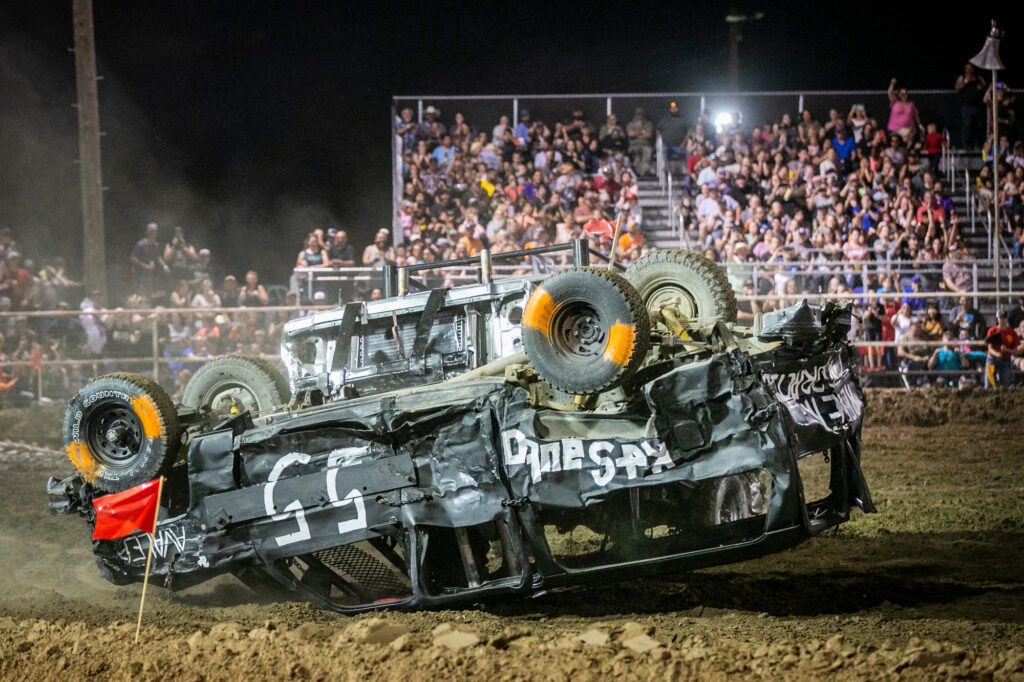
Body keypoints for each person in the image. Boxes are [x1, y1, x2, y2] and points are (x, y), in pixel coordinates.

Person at [130, 223, 169, 297]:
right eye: (152, 231)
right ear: (148, 232)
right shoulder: (140, 244)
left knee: (150, 293)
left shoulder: (155, 245)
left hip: (150, 274)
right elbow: (133, 257)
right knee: (140, 293)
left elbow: (157, 256)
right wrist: (145, 265)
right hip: (140, 274)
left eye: (155, 232)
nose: (154, 233)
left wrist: (164, 266)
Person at [984, 310, 1021, 388]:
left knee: (1005, 384)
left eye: (1004, 318)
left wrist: (1007, 350)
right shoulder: (992, 331)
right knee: (989, 383)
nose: (1002, 320)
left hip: (1005, 359)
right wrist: (996, 353)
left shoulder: (1012, 333)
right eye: (1001, 318)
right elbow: (989, 348)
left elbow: (1016, 350)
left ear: (1007, 319)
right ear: (997, 319)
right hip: (992, 359)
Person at [955, 63, 987, 148]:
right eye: (966, 68)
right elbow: (957, 88)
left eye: (970, 68)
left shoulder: (978, 78)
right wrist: (966, 81)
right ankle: (965, 144)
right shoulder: (963, 78)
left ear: (973, 69)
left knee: (976, 126)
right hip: (966, 106)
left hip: (977, 106)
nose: (968, 70)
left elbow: (985, 87)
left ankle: (976, 144)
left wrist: (981, 88)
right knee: (967, 124)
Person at [886, 79, 922, 145]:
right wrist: (892, 84)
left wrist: (920, 125)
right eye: (902, 93)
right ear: (899, 94)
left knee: (908, 137)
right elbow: (890, 93)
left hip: (907, 130)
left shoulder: (911, 104)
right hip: (894, 129)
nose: (903, 95)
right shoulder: (895, 102)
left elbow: (916, 116)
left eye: (905, 93)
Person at [626, 108, 654, 177]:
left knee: (647, 154)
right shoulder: (630, 124)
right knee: (636, 157)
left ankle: (643, 174)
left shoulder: (648, 124)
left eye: (640, 114)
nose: (639, 116)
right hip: (634, 146)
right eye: (638, 114)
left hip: (646, 145)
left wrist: (636, 134)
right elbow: (630, 134)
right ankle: (638, 174)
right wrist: (642, 132)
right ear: (635, 115)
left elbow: (649, 134)